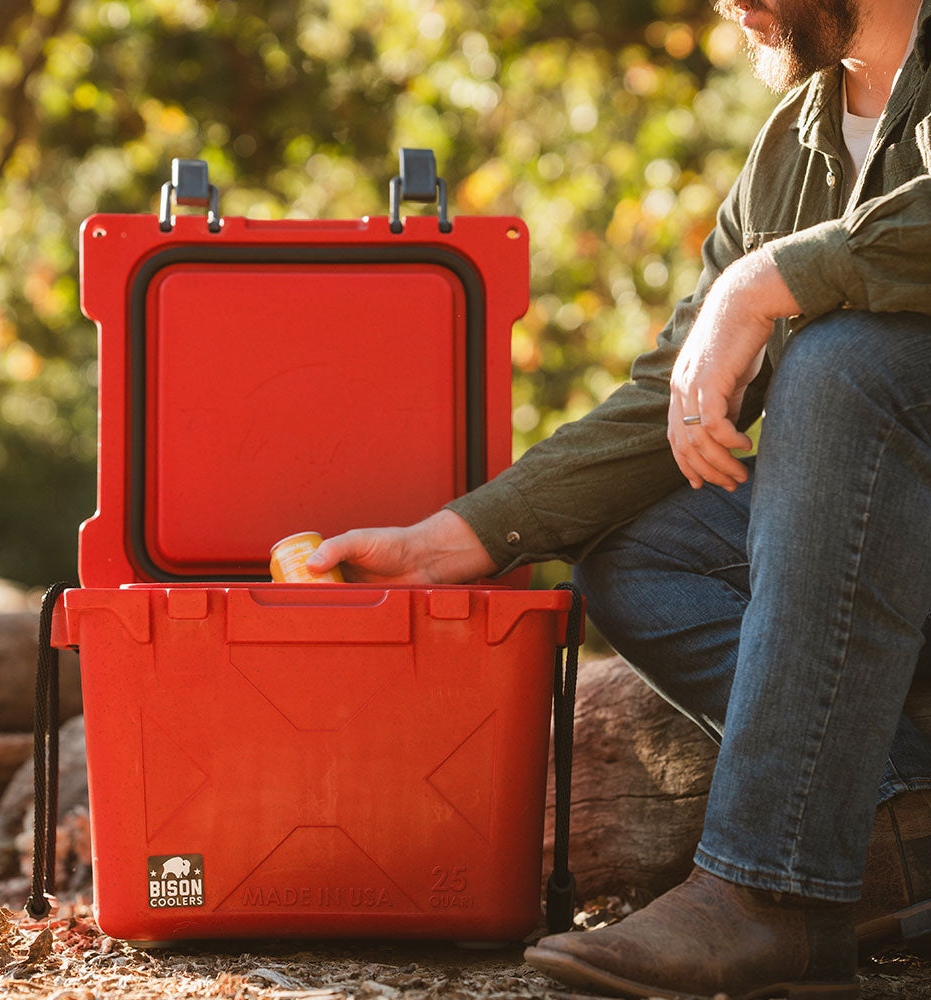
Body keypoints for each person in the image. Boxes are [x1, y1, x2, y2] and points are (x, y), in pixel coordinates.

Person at [308, 0, 931, 995]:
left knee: (841, 361)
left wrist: (767, 281)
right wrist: (457, 537)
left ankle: (768, 894)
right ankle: (899, 830)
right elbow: (674, 390)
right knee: (643, 540)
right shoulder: (798, 136)